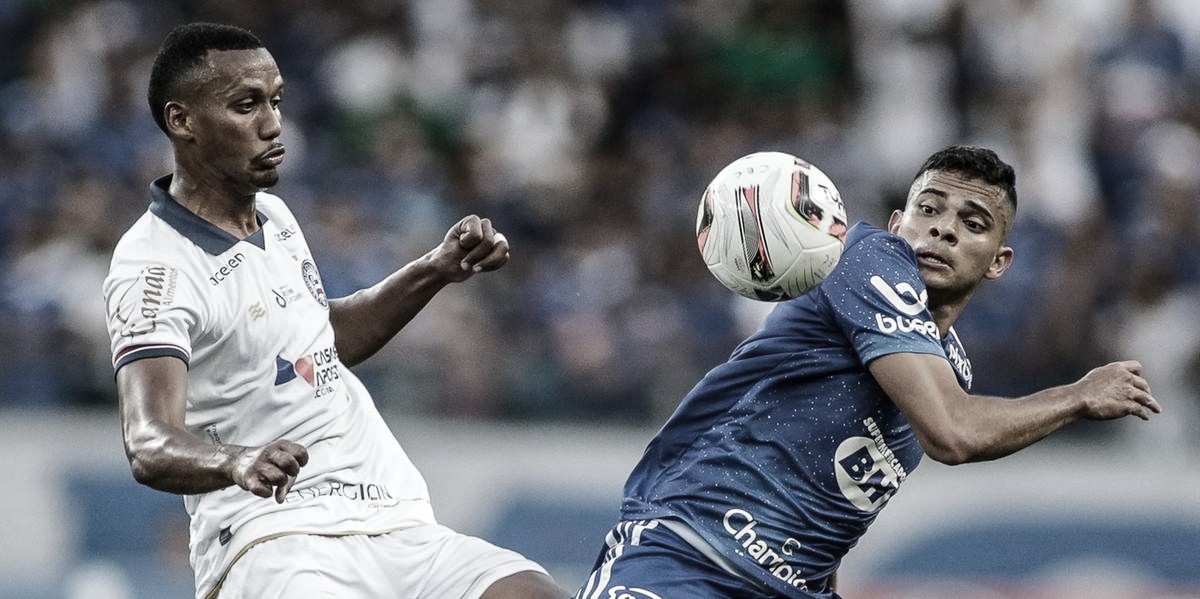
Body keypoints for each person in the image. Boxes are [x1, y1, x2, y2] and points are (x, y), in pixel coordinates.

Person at [103, 22, 566, 599]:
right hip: (272, 538)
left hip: (390, 517)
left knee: (530, 591)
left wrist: (436, 269)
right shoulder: (153, 267)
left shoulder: (274, 216)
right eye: (245, 106)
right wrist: (236, 460)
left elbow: (321, 340)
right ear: (182, 121)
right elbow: (147, 440)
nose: (273, 125)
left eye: (275, 101)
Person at [574, 145, 1161, 599]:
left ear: (999, 262)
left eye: (974, 223)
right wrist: (1080, 395)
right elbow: (954, 434)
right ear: (896, 222)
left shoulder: (947, 366)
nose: (944, 228)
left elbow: (835, 503)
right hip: (688, 554)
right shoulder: (868, 259)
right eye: (929, 210)